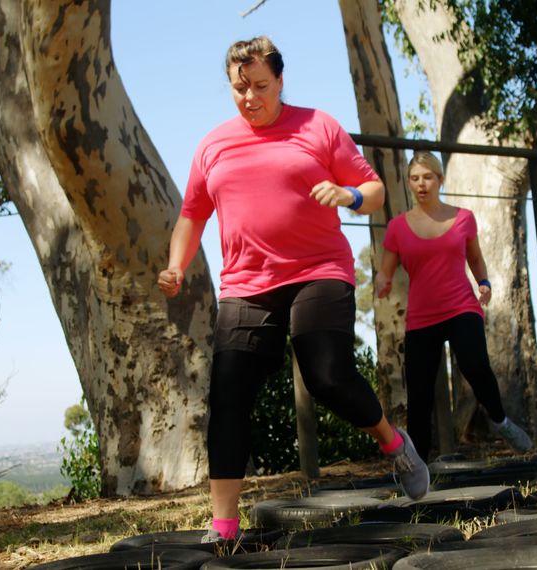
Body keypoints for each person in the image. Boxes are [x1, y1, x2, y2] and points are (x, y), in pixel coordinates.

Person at [157, 36, 429, 542]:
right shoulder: (213, 144)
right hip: (247, 284)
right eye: (240, 88)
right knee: (229, 394)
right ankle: (224, 529)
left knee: (327, 376)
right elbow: (192, 215)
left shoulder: (316, 127)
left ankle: (394, 444)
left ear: (280, 81)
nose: (250, 97)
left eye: (261, 86)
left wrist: (347, 194)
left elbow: (374, 191)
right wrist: (176, 265)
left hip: (318, 269)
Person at [375, 152, 534, 462]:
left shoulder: (463, 218)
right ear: (409, 183)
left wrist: (484, 282)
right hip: (422, 318)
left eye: (428, 177)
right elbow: (387, 269)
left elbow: (475, 257)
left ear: (440, 180)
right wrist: (382, 280)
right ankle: (419, 466)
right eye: (415, 178)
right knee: (419, 396)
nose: (422, 184)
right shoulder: (397, 227)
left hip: (461, 306)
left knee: (475, 365)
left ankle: (501, 421)